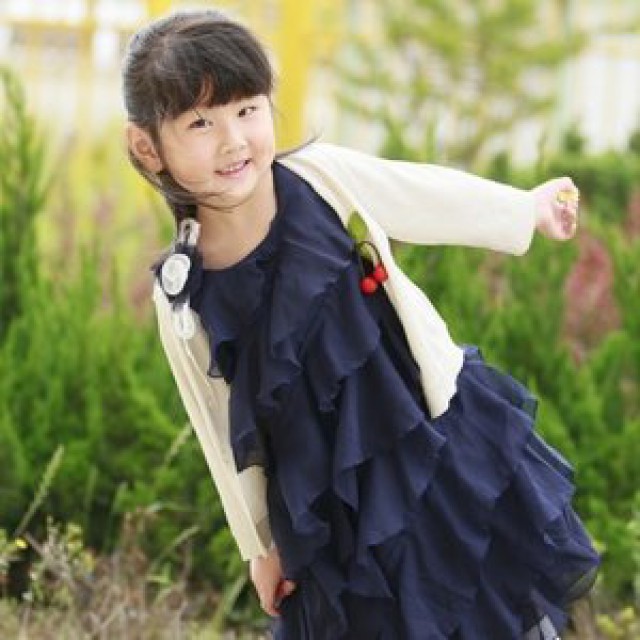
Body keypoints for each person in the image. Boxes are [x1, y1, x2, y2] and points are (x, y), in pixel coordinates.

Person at [122, 9, 599, 639]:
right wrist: (259, 546)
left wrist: (525, 208)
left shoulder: (320, 179)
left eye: (247, 110)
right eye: (200, 123)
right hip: (331, 510)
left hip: (428, 436)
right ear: (147, 147)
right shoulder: (184, 293)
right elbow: (215, 424)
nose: (233, 140)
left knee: (483, 605)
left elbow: (421, 195)